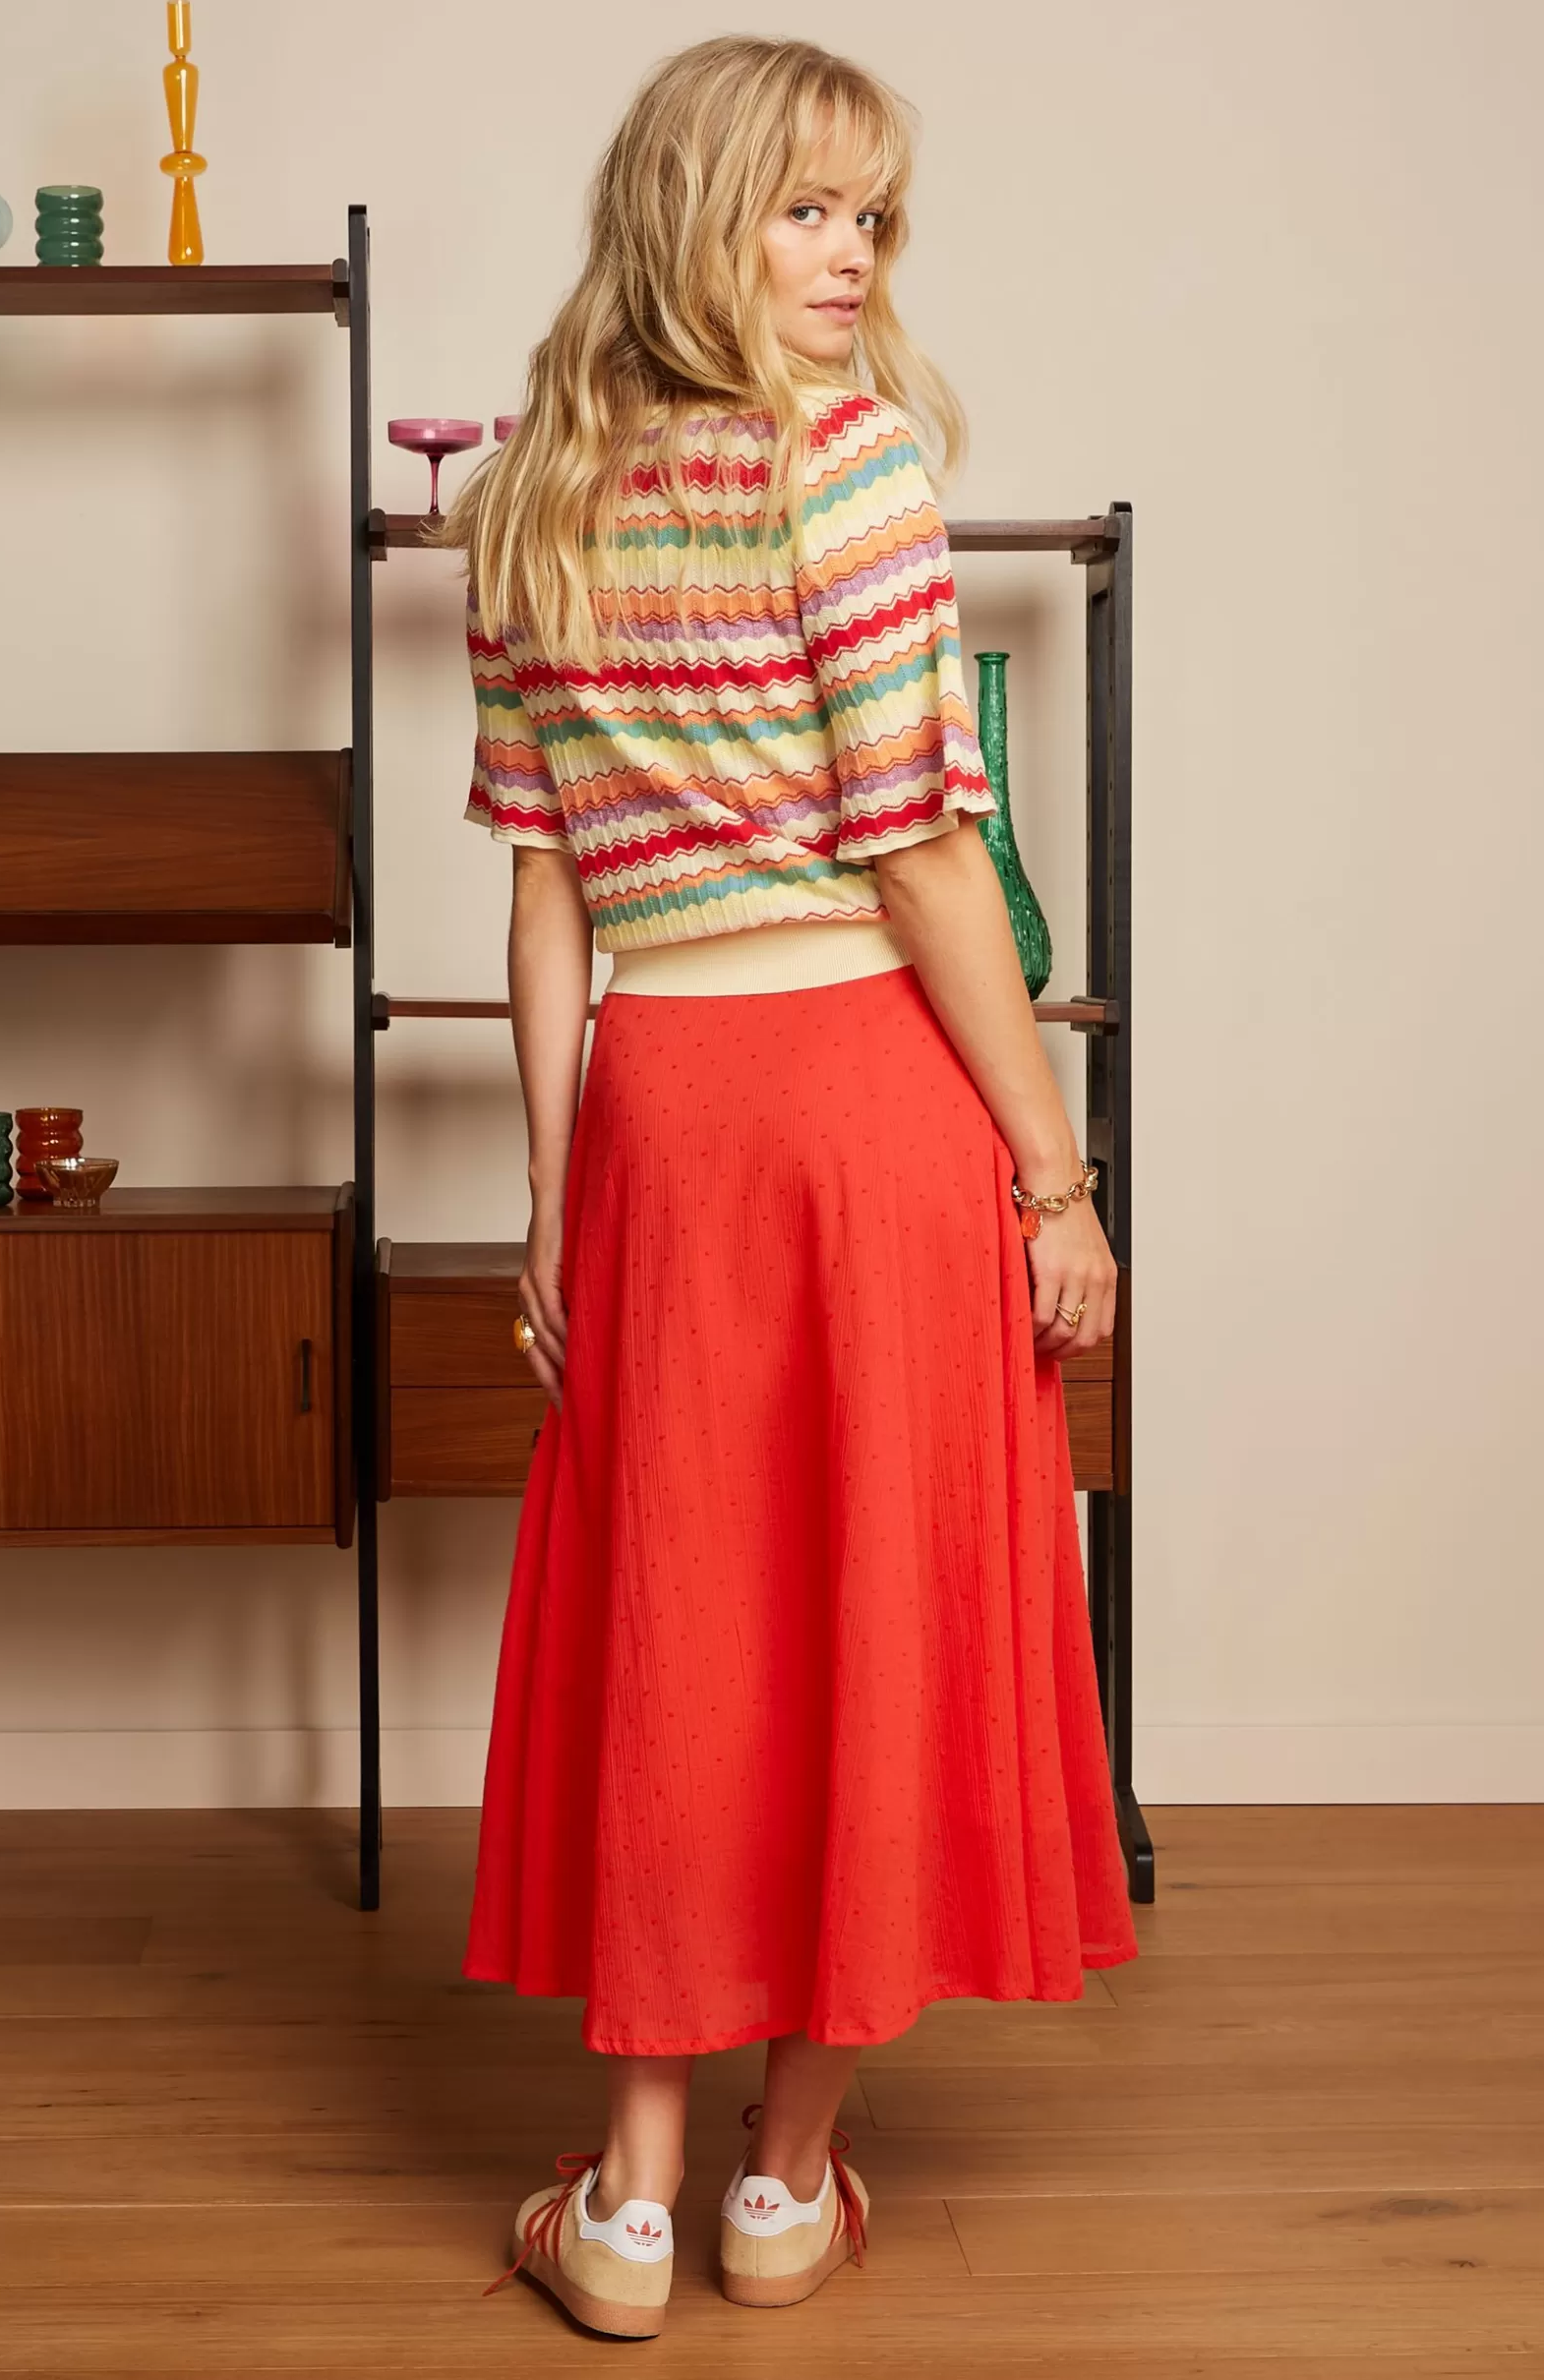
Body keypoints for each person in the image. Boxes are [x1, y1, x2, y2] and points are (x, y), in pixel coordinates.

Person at [441, 31, 1139, 2344]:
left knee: (679, 1620)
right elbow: (921, 857)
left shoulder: (534, 495)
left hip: (658, 1108)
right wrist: (1052, 1172)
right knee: (869, 1607)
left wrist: (554, 1191)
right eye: (803, 209)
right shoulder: (842, 465)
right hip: (860, 1098)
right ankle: (786, 2175)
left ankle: (624, 2206)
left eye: (868, 218)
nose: (848, 258)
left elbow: (542, 890)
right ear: (698, 213)